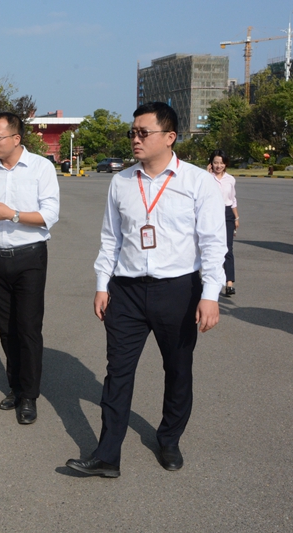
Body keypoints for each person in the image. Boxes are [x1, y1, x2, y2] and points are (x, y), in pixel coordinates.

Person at [65, 102, 226, 477]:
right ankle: (107, 455)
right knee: (117, 373)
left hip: (179, 291)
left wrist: (210, 295)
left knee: (178, 369)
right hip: (127, 292)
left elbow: (213, 244)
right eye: (132, 132)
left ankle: (169, 439)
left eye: (143, 133)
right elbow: (111, 238)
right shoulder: (121, 182)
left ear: (169, 137)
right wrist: (102, 284)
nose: (135, 139)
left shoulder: (197, 182)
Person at [0, 112, 60, 425]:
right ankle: (15, 387)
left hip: (30, 257)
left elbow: (50, 214)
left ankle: (29, 395)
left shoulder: (40, 168)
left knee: (28, 328)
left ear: (16, 139)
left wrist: (12, 215)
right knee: (6, 329)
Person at [209, 149, 239, 296]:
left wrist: (236, 217)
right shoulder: (206, 178)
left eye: (221, 163)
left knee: (228, 248)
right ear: (211, 163)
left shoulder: (230, 179)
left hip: (227, 214)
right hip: (211, 214)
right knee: (211, 248)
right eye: (215, 162)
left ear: (226, 164)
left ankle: (229, 283)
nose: (218, 166)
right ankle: (211, 282)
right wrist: (207, 173)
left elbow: (232, 199)